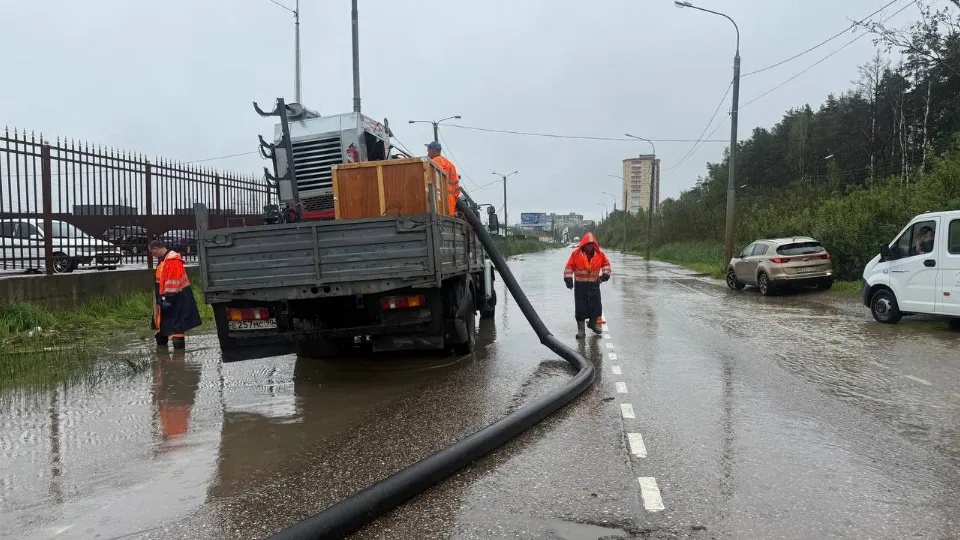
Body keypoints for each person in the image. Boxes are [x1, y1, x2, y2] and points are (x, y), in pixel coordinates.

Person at [149, 240, 202, 349]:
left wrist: (168, 299)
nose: (153, 256)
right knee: (166, 322)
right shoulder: (164, 260)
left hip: (174, 297)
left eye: (153, 253)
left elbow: (173, 282)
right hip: (167, 296)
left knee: (176, 326)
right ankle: (165, 346)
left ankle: (178, 357)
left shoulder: (171, 261)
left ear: (156, 249)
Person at [564, 232, 612, 339]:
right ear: (583, 244)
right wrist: (568, 279)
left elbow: (606, 264)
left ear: (594, 244)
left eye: (591, 244)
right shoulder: (575, 254)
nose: (590, 246)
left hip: (594, 285)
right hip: (580, 286)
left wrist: (604, 275)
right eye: (588, 244)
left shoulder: (600, 254)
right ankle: (581, 331)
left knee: (595, 306)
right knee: (581, 308)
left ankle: (593, 324)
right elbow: (569, 267)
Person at [426, 141, 460, 215]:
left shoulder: (433, 163)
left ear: (433, 151)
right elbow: (457, 190)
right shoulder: (451, 165)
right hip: (450, 207)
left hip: (439, 207)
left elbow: (429, 182)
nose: (427, 153)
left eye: (428, 150)